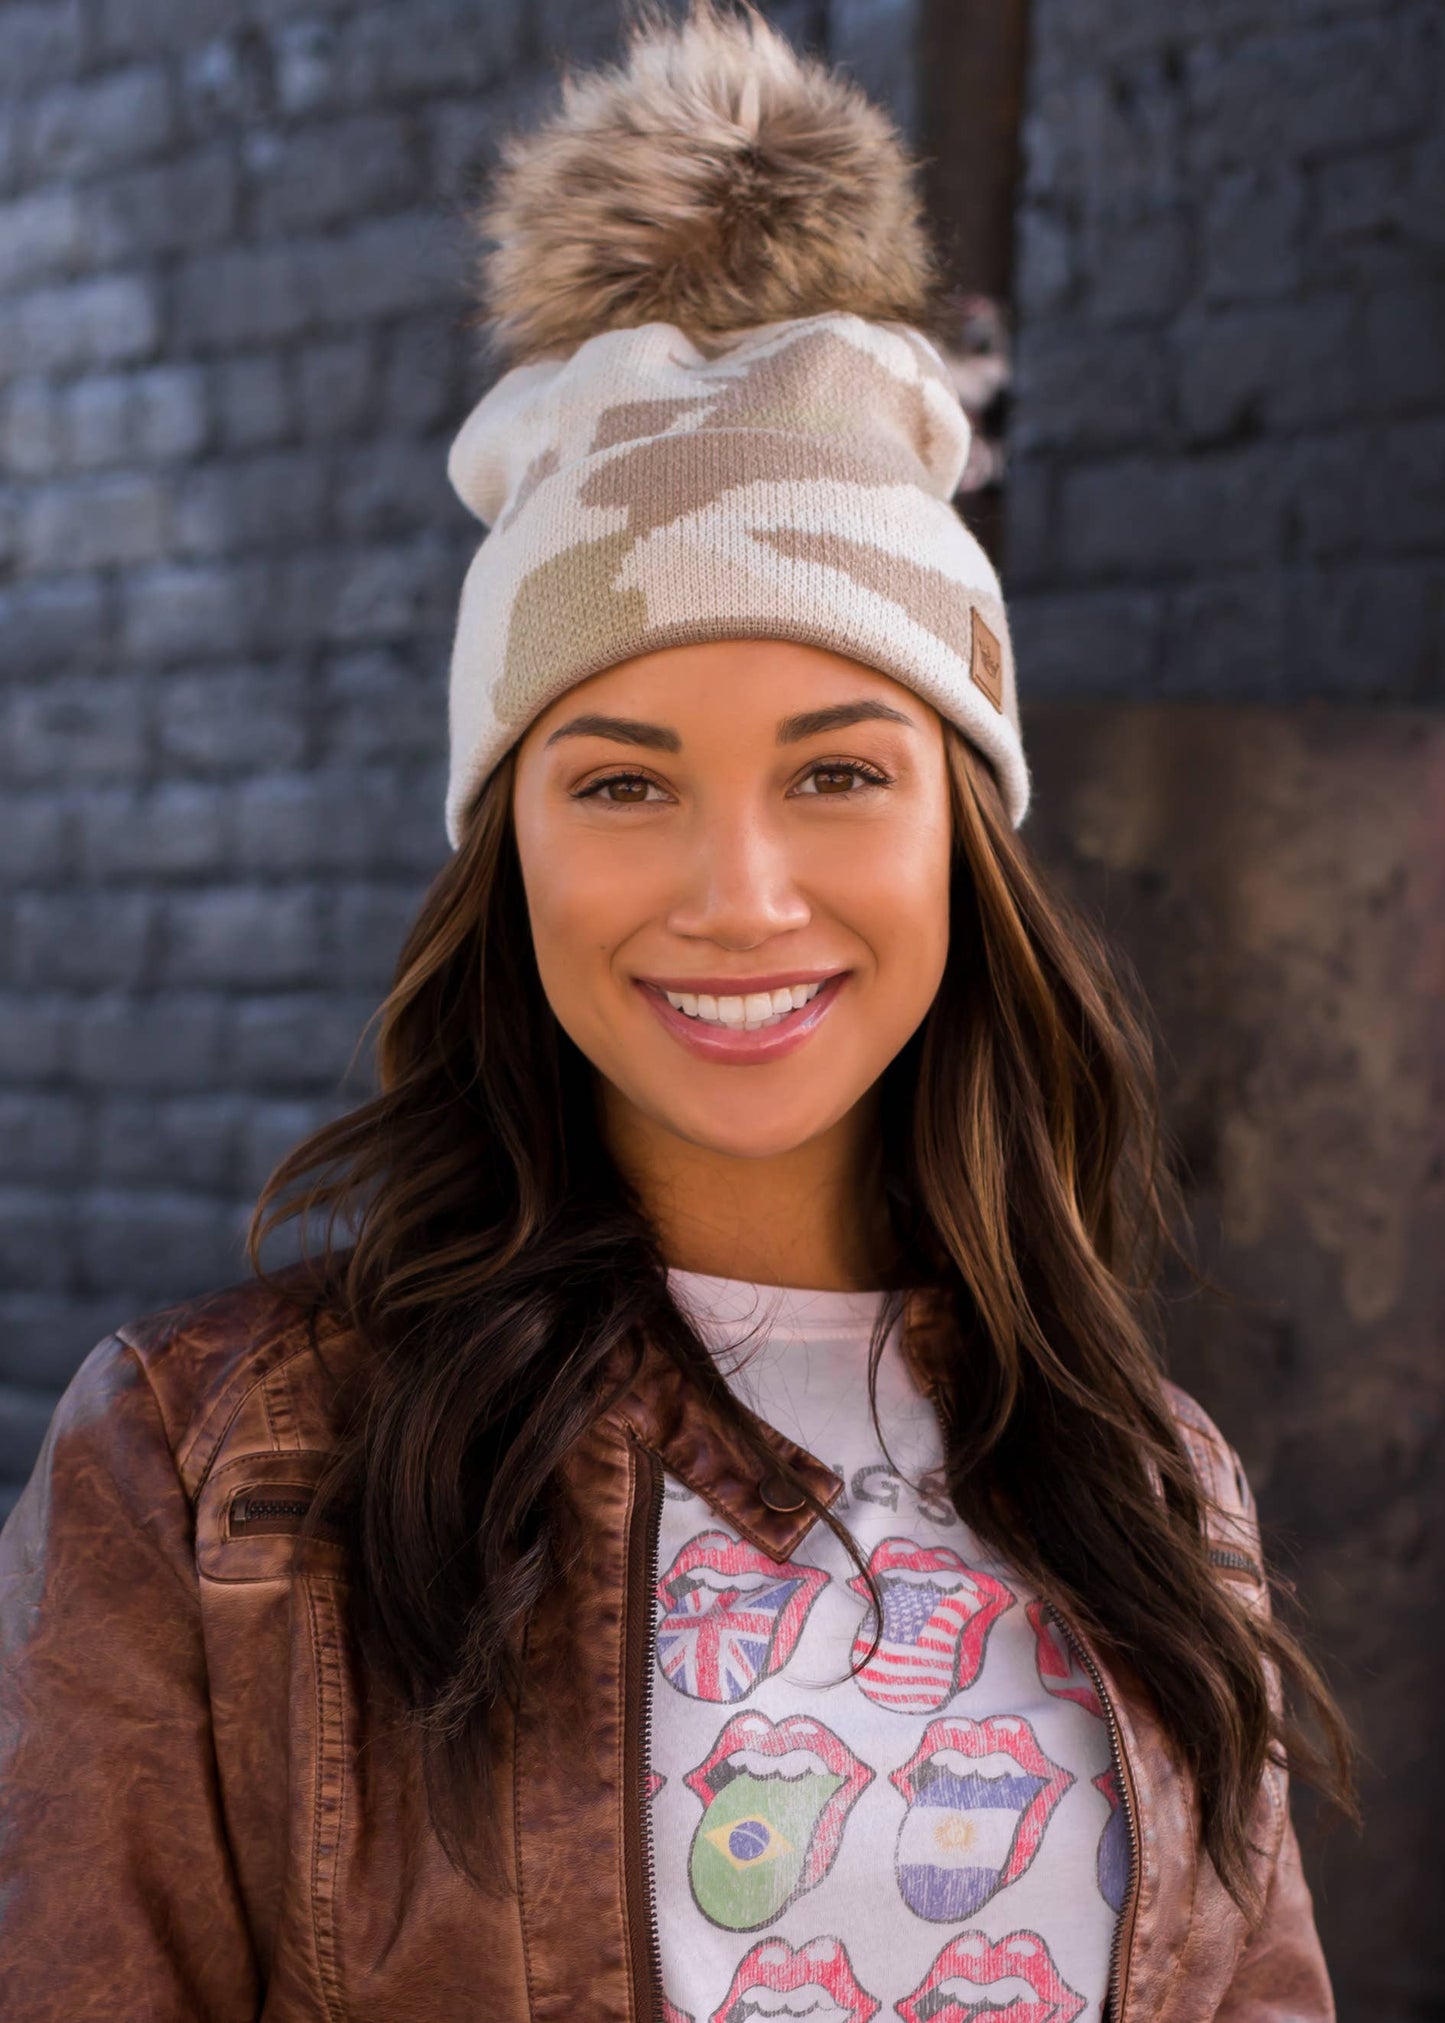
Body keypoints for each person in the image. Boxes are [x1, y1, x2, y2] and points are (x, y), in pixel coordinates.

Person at [0, 8, 1351, 2019]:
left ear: (961, 841)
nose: (741, 893)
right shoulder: (212, 1475)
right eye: (622, 779)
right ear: (510, 848)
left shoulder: (1155, 1487)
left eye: (839, 770)